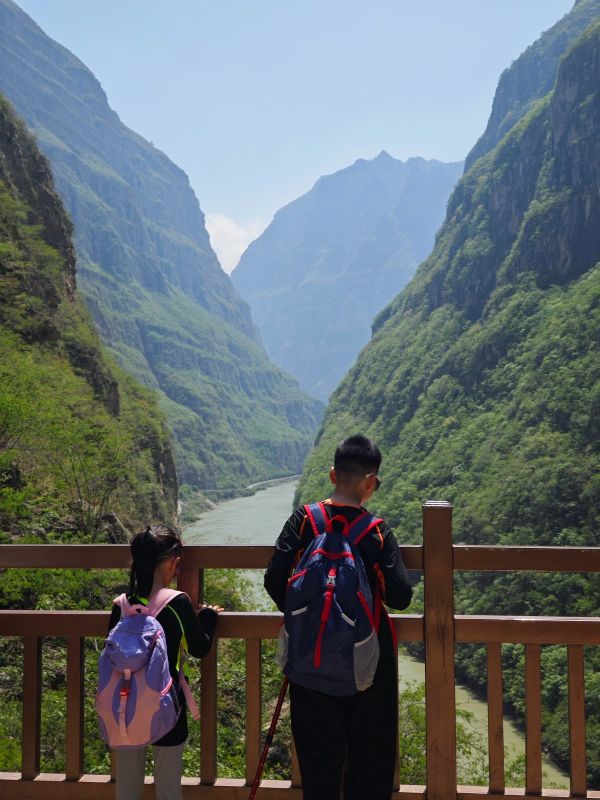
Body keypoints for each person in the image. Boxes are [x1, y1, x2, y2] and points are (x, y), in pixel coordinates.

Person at [264, 434, 413, 800]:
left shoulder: (304, 520)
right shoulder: (377, 532)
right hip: (367, 665)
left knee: (319, 766)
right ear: (371, 482)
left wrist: (309, 619)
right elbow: (400, 597)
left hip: (309, 661)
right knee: (369, 760)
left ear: (333, 475)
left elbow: (274, 579)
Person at [107, 524, 222, 800]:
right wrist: (208, 618)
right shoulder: (177, 603)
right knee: (169, 788)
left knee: (126, 788)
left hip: (125, 708)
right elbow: (199, 648)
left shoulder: (121, 605)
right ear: (172, 562)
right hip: (167, 707)